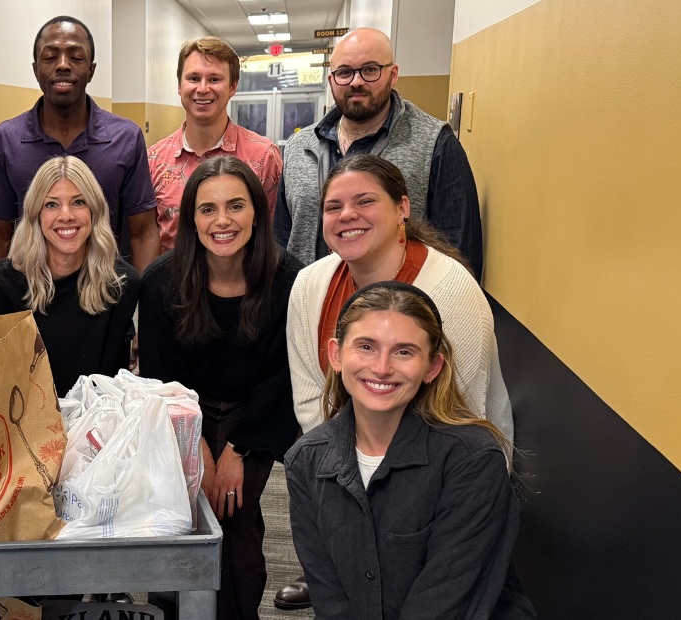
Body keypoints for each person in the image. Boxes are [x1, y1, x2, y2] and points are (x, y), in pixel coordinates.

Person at [275, 154, 513, 611]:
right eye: (333, 206)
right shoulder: (309, 285)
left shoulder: (452, 291)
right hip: (353, 455)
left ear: (403, 208)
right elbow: (311, 398)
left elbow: (461, 410)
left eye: (365, 201)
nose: (347, 215)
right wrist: (344, 477)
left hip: (441, 471)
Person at [285, 280, 535, 619]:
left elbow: (445, 601)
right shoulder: (305, 460)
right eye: (366, 347)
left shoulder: (472, 460)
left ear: (432, 367)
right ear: (336, 355)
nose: (382, 367)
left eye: (404, 351)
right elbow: (329, 596)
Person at [139, 156, 304, 620]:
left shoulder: (290, 280)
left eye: (236, 205)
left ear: (258, 210)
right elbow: (161, 380)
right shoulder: (161, 282)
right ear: (191, 218)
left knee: (232, 516)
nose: (223, 221)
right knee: (177, 515)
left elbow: (283, 377)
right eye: (207, 209)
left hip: (255, 413)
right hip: (181, 410)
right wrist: (199, 453)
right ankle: (168, 610)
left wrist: (237, 449)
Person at [281, 27, 484, 279]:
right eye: (344, 72)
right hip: (310, 307)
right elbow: (281, 240)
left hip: (397, 312)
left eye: (370, 69)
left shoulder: (434, 143)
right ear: (332, 80)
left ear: (393, 74)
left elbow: (460, 253)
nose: (356, 81)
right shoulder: (299, 147)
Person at [0, 15, 158, 274]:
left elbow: (143, 232)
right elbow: (0, 234)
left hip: (107, 297)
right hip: (29, 298)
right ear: (35, 69)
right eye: (50, 56)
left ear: (91, 69)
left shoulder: (126, 138)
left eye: (75, 57)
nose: (63, 65)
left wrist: (144, 307)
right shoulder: (6, 140)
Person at [0, 156, 141, 397]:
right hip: (24, 425)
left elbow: (110, 385)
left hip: (98, 424)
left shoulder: (122, 283)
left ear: (94, 211)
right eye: (52, 205)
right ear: (35, 215)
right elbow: (0, 384)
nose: (66, 215)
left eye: (78, 202)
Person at [148, 36, 282, 253]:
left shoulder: (263, 156)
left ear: (232, 87)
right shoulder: (154, 160)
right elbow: (148, 237)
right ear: (180, 86)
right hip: (172, 284)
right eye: (193, 78)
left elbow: (273, 235)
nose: (202, 88)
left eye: (214, 79)